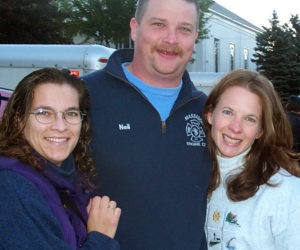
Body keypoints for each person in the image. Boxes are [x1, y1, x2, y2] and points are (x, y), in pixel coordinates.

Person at [82, 0, 212, 249]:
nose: (171, 39)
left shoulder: (207, 112)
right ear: (135, 28)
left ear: (194, 38)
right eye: (159, 24)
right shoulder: (83, 98)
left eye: (184, 29)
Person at [0, 68, 121, 249]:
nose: (60, 126)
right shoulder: (13, 187)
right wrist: (100, 237)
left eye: (71, 113)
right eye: (44, 113)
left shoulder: (68, 179)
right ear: (19, 119)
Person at [203, 69, 300, 249]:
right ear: (210, 114)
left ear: (261, 131)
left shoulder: (287, 192)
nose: (235, 127)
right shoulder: (191, 179)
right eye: (228, 112)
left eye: (249, 119)